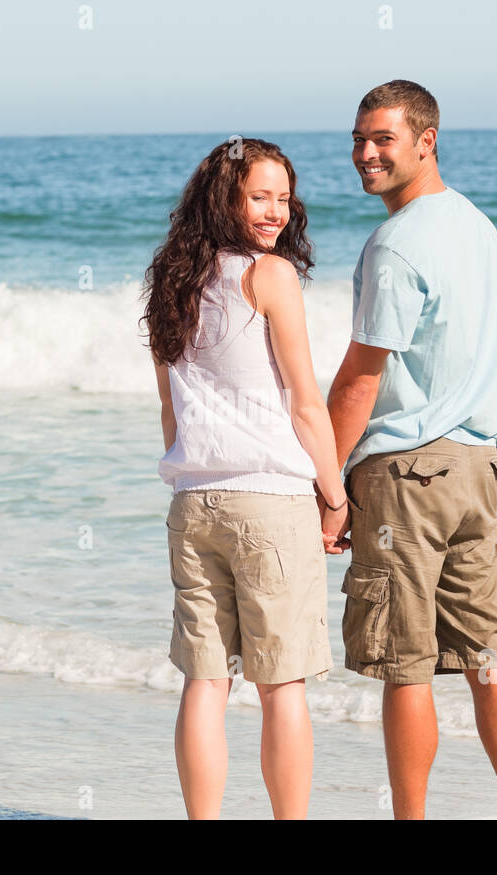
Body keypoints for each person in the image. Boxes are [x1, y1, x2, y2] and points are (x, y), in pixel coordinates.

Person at [326, 80, 497, 819]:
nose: (365, 154)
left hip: (407, 474)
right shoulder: (479, 227)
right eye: (358, 139)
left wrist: (325, 482)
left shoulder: (399, 240)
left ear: (426, 140)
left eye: (382, 139)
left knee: (404, 667)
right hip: (478, 467)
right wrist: (486, 430)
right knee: (487, 657)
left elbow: (360, 376)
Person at [141, 137, 349, 819]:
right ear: (224, 196)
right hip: (270, 502)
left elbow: (170, 410)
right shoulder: (272, 277)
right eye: (259, 196)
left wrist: (194, 471)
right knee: (281, 684)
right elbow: (305, 402)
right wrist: (336, 493)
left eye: (284, 197)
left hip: (193, 500)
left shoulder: (171, 278)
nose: (276, 211)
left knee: (205, 681)